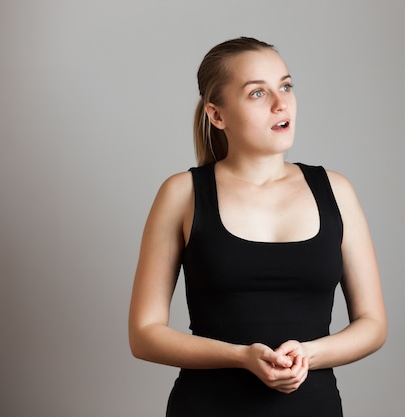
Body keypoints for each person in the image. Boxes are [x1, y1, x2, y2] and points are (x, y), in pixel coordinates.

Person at [128, 36, 387, 417]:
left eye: (285, 86)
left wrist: (309, 354)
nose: (281, 103)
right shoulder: (181, 194)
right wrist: (240, 356)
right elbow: (144, 335)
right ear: (217, 115)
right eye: (257, 94)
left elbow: (373, 323)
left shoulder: (337, 191)